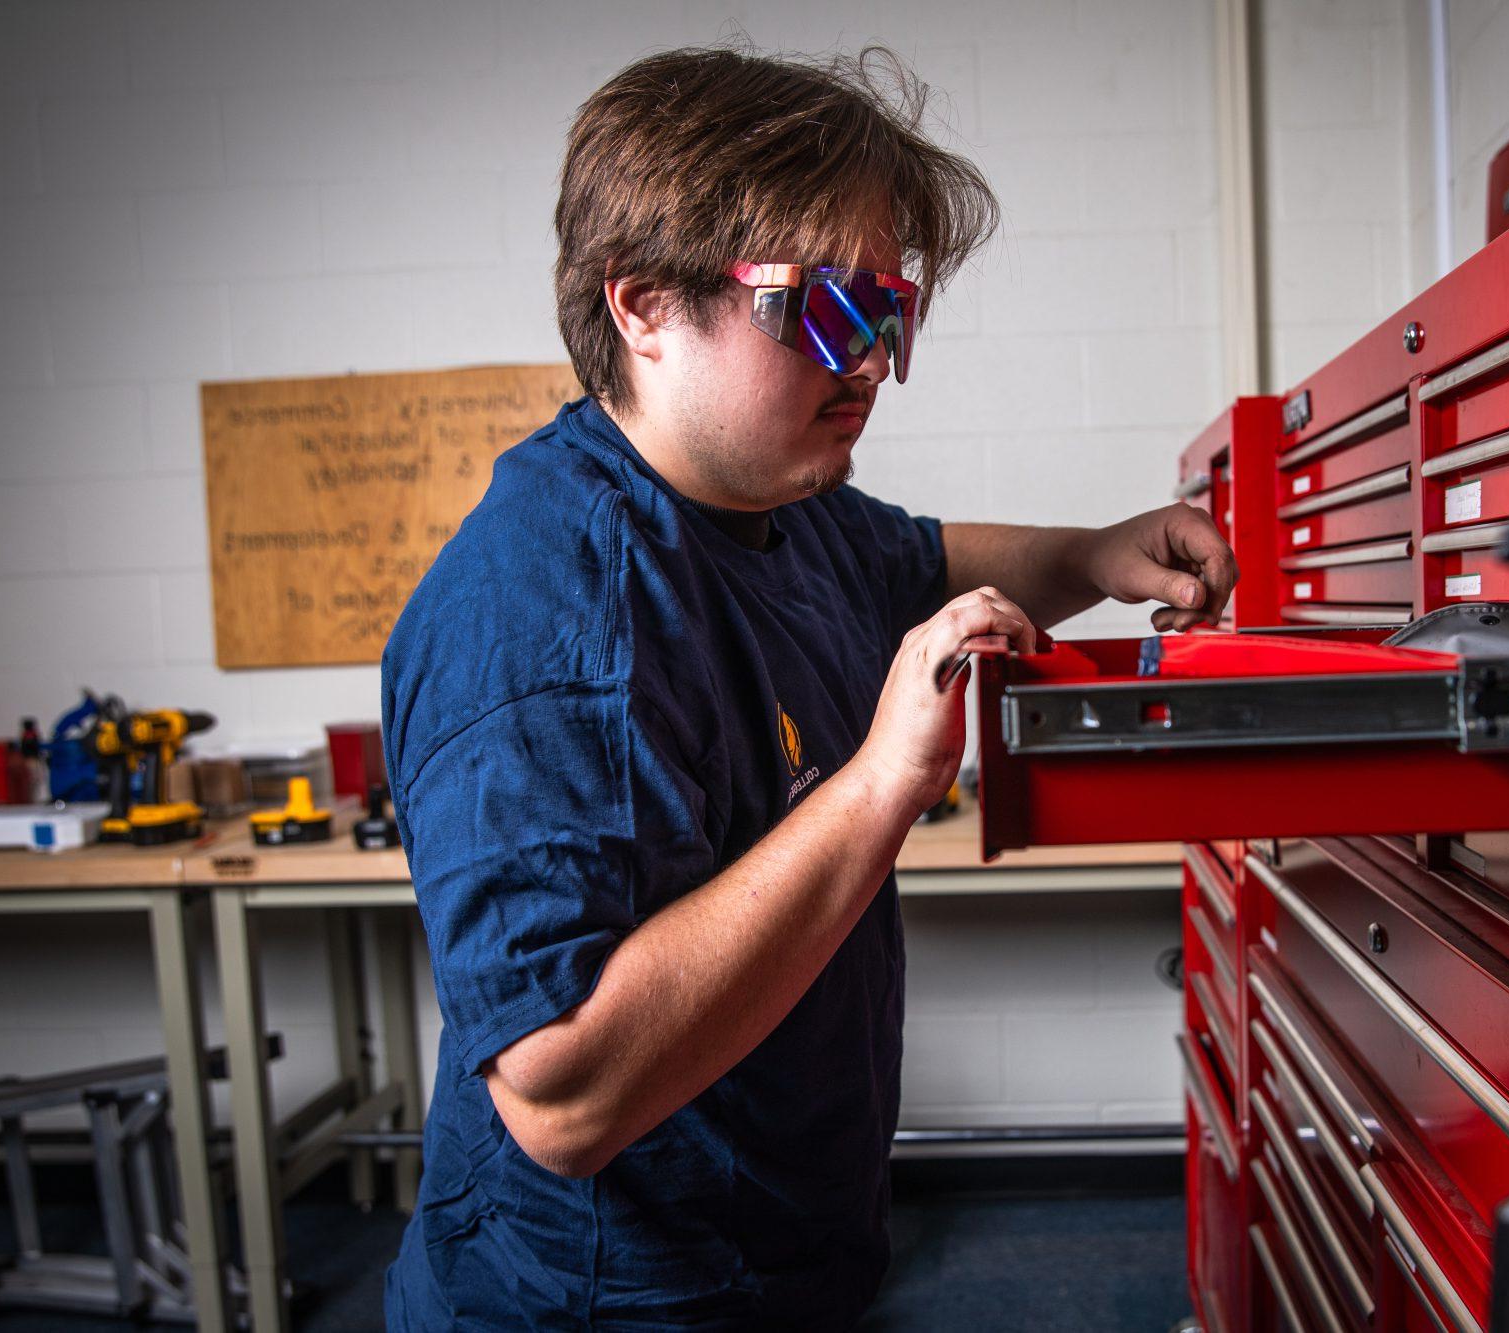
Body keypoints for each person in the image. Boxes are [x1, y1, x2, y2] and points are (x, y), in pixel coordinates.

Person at [380, 44, 1237, 1330]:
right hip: (606, 1304)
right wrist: (884, 780)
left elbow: (919, 555)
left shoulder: (779, 503)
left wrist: (1089, 555)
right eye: (825, 311)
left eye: (889, 313)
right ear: (642, 306)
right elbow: (561, 1098)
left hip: (783, 1263)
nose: (874, 364)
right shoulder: (546, 617)